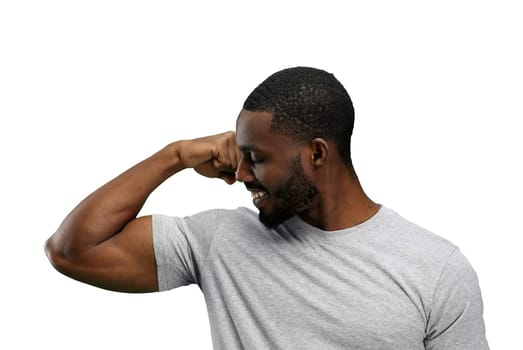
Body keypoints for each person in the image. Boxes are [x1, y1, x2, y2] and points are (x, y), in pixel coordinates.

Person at [45, 67, 489, 349]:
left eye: (256, 157)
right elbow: (73, 250)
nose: (240, 175)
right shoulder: (222, 240)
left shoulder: (436, 268)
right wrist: (175, 156)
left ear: (316, 154)